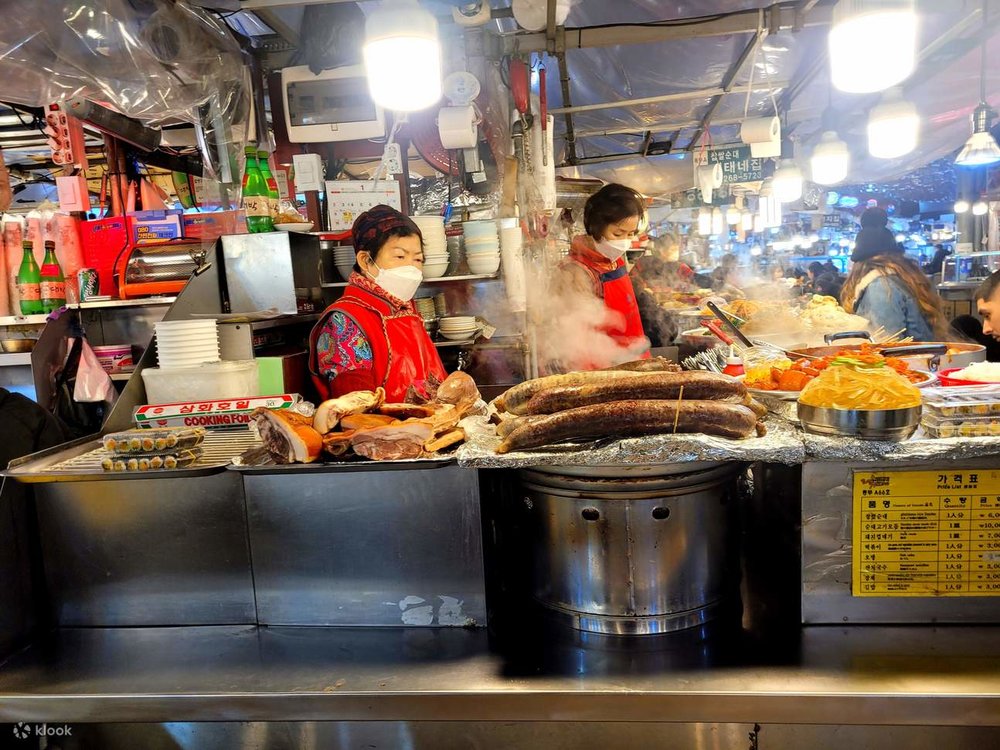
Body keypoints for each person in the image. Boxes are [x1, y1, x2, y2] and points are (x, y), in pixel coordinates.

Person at [308, 205, 446, 401]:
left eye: (417, 259)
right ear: (365, 261)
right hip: (382, 430)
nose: (411, 268)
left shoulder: (405, 309)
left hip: (425, 426)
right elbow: (355, 413)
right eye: (400, 256)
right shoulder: (344, 321)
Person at [558, 182, 650, 364]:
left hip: (636, 362)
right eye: (618, 234)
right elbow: (575, 342)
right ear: (596, 227)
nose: (625, 242)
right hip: (606, 371)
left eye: (631, 234)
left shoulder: (615, 259)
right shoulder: (576, 272)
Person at [840, 207, 950, 342]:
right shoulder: (908, 279)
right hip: (920, 359)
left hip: (904, 361)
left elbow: (887, 343)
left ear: (859, 262)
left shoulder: (881, 286)